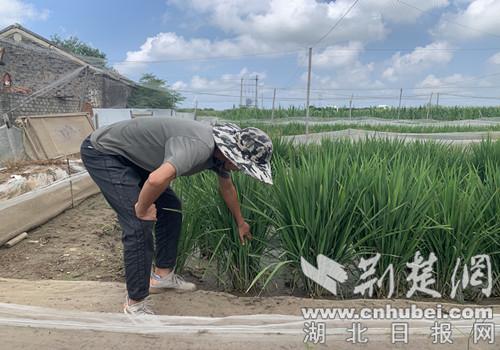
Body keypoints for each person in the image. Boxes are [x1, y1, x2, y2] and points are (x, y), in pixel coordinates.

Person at [80, 117, 273, 315]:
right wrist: (142, 208)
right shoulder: (199, 147)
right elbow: (156, 179)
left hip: (132, 156)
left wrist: (241, 222)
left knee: (171, 207)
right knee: (139, 224)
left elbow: (227, 187)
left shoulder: (220, 154)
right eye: (243, 166)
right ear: (232, 156)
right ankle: (135, 304)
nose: (241, 170)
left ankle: (163, 277)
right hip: (105, 151)